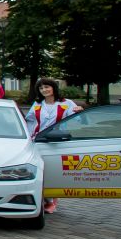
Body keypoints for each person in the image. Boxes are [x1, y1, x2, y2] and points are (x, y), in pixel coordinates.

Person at [24, 77, 83, 214]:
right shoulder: (38, 104)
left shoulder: (66, 103)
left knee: (54, 170)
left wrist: (79, 111)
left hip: (57, 141)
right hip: (39, 141)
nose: (44, 90)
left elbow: (77, 121)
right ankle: (47, 200)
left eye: (47, 87)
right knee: (41, 170)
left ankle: (51, 199)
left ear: (53, 87)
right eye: (41, 88)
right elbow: (29, 121)